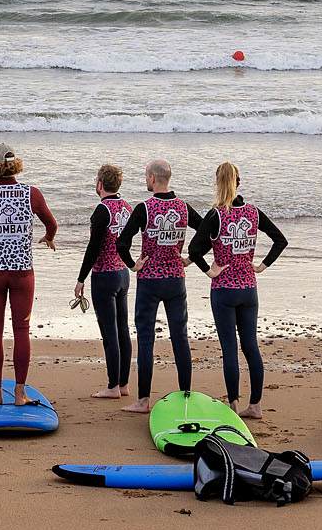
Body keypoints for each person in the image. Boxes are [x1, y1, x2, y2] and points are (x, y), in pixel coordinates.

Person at [188, 161, 287, 419]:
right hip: (249, 289)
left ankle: (232, 405)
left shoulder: (216, 215)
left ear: (217, 184)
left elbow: (194, 250)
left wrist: (209, 270)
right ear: (239, 182)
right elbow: (280, 239)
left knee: (229, 348)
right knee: (251, 346)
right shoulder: (253, 213)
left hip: (223, 290)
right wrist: (262, 266)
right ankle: (255, 405)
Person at [0, 142, 58, 405]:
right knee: (22, 329)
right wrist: (48, 237)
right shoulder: (31, 193)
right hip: (22, 273)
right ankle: (20, 392)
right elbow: (52, 224)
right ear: (15, 164)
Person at [116, 158, 206, 414]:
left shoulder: (144, 208)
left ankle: (143, 401)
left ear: (153, 179)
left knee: (146, 340)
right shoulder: (183, 207)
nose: (146, 180)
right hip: (176, 280)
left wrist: (134, 265)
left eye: (146, 176)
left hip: (150, 282)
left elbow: (121, 243)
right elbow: (208, 231)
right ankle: (185, 395)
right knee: (180, 338)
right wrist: (190, 257)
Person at [73, 162, 132, 399]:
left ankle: (112, 386)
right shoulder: (127, 207)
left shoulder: (102, 210)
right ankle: (124, 384)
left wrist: (80, 279)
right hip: (122, 274)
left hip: (104, 276)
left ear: (99, 184)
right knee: (123, 330)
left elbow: (93, 248)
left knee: (110, 333)